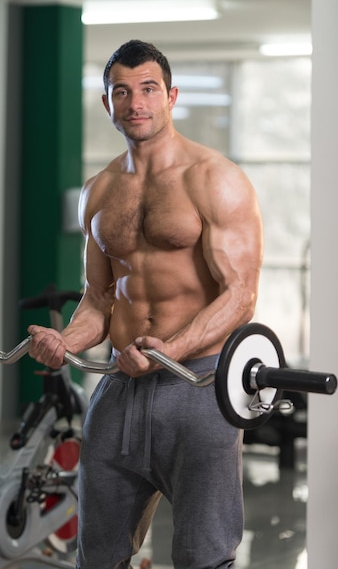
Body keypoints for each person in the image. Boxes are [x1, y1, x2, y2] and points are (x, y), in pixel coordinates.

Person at [28, 39, 263, 569]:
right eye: (122, 91)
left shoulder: (214, 179)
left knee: (202, 556)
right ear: (108, 104)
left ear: (171, 96)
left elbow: (240, 295)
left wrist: (169, 348)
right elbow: (98, 299)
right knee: (100, 553)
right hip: (120, 383)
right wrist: (64, 342)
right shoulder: (100, 190)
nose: (136, 102)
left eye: (149, 89)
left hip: (198, 384)